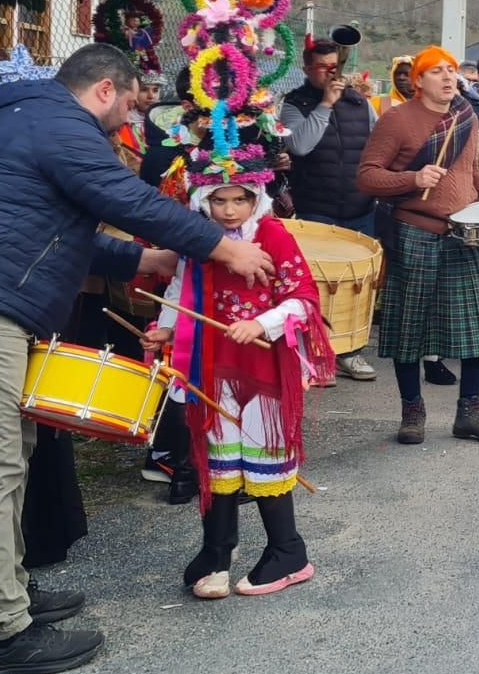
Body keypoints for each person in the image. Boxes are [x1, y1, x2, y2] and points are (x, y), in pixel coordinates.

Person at [0, 43, 278, 674]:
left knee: (14, 458)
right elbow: (129, 200)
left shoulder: (28, 116)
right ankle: (1, 632)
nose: (130, 119)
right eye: (127, 105)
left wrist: (142, 259)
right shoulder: (59, 122)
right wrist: (224, 248)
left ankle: (9, 594)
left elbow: (61, 231)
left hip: (8, 306)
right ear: (104, 89)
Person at [141, 62, 334, 598]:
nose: (228, 210)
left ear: (256, 198)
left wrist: (260, 322)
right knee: (218, 457)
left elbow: (304, 300)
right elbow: (181, 288)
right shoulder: (198, 237)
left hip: (262, 364)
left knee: (265, 454)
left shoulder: (272, 235)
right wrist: (166, 331)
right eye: (218, 200)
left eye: (239, 199)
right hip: (210, 362)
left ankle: (288, 551)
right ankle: (217, 553)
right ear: (203, 200)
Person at [356, 46, 479, 445]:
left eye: (451, 70)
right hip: (414, 231)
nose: (448, 77)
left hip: (463, 233)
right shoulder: (397, 119)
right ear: (418, 80)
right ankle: (412, 411)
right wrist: (413, 179)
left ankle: (470, 410)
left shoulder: (466, 116)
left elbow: (468, 177)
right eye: (437, 71)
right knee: (408, 327)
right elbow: (366, 177)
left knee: (476, 326)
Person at [281, 39, 379, 382]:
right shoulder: (294, 103)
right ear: (308, 69)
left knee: (357, 284)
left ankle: (350, 352)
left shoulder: (360, 102)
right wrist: (325, 105)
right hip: (316, 207)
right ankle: (317, 354)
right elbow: (300, 145)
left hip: (359, 204)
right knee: (318, 285)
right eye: (322, 68)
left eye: (334, 67)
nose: (330, 73)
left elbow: (376, 144)